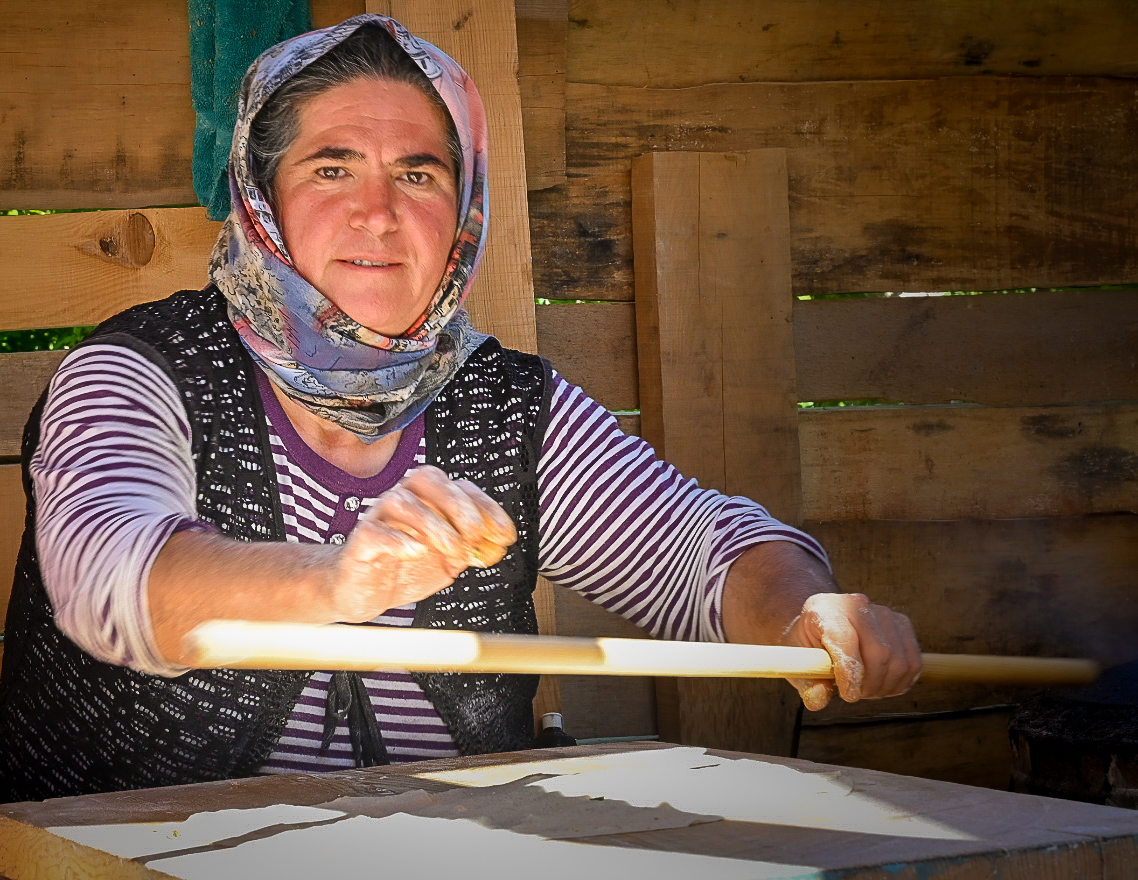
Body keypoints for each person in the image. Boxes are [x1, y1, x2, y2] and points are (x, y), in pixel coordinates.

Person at [0, 15, 921, 803]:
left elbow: (707, 555)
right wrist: (334, 582)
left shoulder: (502, 402)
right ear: (262, 197)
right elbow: (108, 577)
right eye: (330, 170)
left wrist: (804, 617)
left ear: (464, 208)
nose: (377, 212)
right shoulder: (134, 372)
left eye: (418, 175)